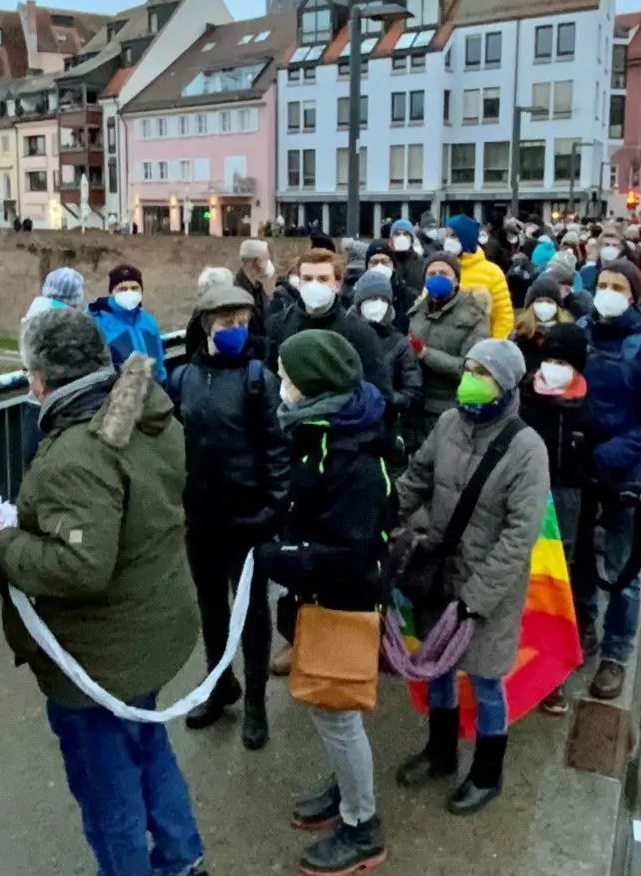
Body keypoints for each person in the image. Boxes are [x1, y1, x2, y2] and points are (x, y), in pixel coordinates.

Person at [0, 309, 209, 876]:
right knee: (150, 750)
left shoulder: (74, 456)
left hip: (98, 660)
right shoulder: (147, 414)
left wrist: (2, 542)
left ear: (39, 380)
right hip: (151, 629)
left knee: (109, 793)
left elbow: (81, 567)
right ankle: (183, 860)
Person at [394, 339, 548, 815]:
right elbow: (415, 480)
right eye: (468, 369)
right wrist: (376, 520)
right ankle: (440, 753)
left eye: (483, 372)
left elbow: (519, 538)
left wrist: (476, 598)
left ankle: (486, 773)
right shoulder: (447, 424)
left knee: (485, 682)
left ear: (504, 385)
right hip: (438, 576)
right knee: (437, 671)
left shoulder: (526, 449)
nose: (470, 379)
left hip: (488, 593)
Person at [259, 331, 392, 874]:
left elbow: (345, 552)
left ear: (311, 385)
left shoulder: (352, 458)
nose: (281, 386)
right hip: (318, 597)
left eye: (288, 377)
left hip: (342, 601)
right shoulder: (323, 431)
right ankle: (345, 788)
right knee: (329, 712)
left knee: (338, 716)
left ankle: (362, 826)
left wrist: (277, 556)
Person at [168, 284, 288, 751]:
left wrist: (272, 509)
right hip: (201, 516)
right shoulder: (183, 378)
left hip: (248, 516)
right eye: (226, 322)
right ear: (205, 326)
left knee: (253, 614)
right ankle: (220, 687)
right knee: (212, 609)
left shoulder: (259, 377)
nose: (236, 330)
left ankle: (255, 703)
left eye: (243, 322)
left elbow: (278, 449)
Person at [577, 260, 641, 701]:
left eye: (618, 286)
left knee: (622, 569)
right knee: (581, 560)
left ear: (634, 295)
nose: (608, 292)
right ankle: (585, 631)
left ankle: (616, 654)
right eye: (602, 284)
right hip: (579, 468)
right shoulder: (582, 331)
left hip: (622, 473)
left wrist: (610, 454)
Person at [517, 323, 596, 714]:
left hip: (567, 501)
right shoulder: (526, 396)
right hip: (526, 497)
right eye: (548, 358)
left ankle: (551, 678)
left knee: (554, 588)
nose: (552, 367)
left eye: (562, 361)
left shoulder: (588, 404)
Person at [267, 248, 391, 397]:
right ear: (298, 283)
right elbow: (269, 382)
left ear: (337, 284)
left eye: (323, 279)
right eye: (307, 278)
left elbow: (379, 391)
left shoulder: (359, 332)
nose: (314, 285)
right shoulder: (280, 324)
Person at [408, 251, 490, 443]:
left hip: (450, 410)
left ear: (456, 280)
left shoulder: (474, 316)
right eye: (431, 273)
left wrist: (426, 354)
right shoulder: (417, 311)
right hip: (416, 408)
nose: (437, 278)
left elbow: (470, 368)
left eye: (444, 273)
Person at [351, 268, 423, 464]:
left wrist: (390, 398)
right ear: (359, 303)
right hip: (349, 426)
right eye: (371, 299)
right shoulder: (346, 335)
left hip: (385, 427)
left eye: (383, 300)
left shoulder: (399, 343)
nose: (377, 305)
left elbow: (413, 391)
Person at [19, 266, 87, 464]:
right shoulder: (67, 325)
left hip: (35, 403)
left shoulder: (34, 316)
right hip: (62, 406)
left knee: (35, 465)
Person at [88, 264, 168, 383]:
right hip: (118, 395)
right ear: (112, 292)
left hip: (152, 391)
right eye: (122, 289)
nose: (129, 292)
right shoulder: (97, 322)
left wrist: (163, 382)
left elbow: (159, 360)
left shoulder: (148, 321)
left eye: (134, 288)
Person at [441, 214, 514, 339]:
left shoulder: (492, 272)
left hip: (480, 348)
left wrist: (495, 347)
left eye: (453, 236)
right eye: (446, 236)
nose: (448, 240)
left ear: (466, 238)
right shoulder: (440, 268)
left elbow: (503, 316)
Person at [515, 274, 576, 376]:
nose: (544, 305)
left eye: (549, 301)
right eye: (539, 301)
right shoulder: (520, 334)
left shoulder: (569, 335)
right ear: (531, 305)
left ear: (557, 306)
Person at [363, 239, 420, 331]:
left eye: (384, 261)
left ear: (393, 266)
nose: (379, 266)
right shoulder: (358, 296)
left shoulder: (407, 296)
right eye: (374, 262)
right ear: (367, 267)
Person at [235, 239, 275, 358]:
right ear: (256, 262)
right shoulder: (238, 294)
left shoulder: (257, 288)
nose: (269, 264)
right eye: (267, 259)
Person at [388, 219, 427, 295]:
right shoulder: (386, 260)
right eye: (397, 234)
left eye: (406, 234)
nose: (401, 237)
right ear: (391, 239)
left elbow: (420, 292)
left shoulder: (420, 263)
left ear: (411, 239)